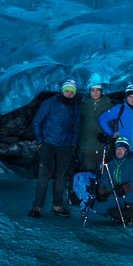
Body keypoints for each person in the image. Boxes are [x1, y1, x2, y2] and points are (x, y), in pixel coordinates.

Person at [98, 84, 133, 216]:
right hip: (122, 150)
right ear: (126, 98)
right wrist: (111, 134)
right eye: (130, 97)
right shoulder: (120, 109)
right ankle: (120, 205)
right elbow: (102, 119)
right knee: (119, 177)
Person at [28, 79, 80, 218]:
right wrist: (40, 141)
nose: (69, 93)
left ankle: (57, 206)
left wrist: (73, 143)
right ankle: (37, 207)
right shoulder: (49, 103)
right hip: (49, 143)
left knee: (61, 176)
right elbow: (37, 122)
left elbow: (76, 127)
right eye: (67, 90)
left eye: (72, 92)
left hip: (66, 145)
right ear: (62, 91)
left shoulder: (75, 107)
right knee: (44, 175)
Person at [91, 137, 133, 225]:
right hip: (115, 193)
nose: (119, 151)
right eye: (118, 149)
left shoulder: (132, 165)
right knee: (98, 207)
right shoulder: (109, 165)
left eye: (122, 149)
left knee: (130, 195)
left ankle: (130, 213)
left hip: (129, 194)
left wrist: (123, 189)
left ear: (126, 151)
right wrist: (102, 191)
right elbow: (104, 181)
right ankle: (117, 213)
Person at [78, 79, 112, 174]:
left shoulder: (108, 105)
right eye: (93, 90)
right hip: (86, 145)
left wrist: (109, 138)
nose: (95, 93)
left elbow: (113, 124)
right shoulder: (83, 105)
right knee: (87, 171)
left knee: (102, 172)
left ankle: (101, 189)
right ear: (89, 92)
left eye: (98, 90)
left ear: (101, 91)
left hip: (102, 145)